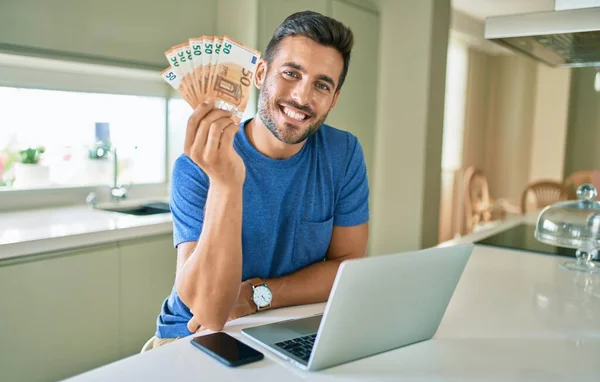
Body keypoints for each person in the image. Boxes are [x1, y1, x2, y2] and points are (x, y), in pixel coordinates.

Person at [142, 10, 369, 351]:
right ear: (260, 73)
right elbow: (209, 311)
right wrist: (226, 184)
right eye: (291, 73)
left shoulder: (344, 153)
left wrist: (257, 295)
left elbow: (348, 267)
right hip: (191, 335)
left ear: (333, 98)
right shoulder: (198, 164)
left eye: (322, 85)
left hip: (288, 322)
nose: (302, 97)